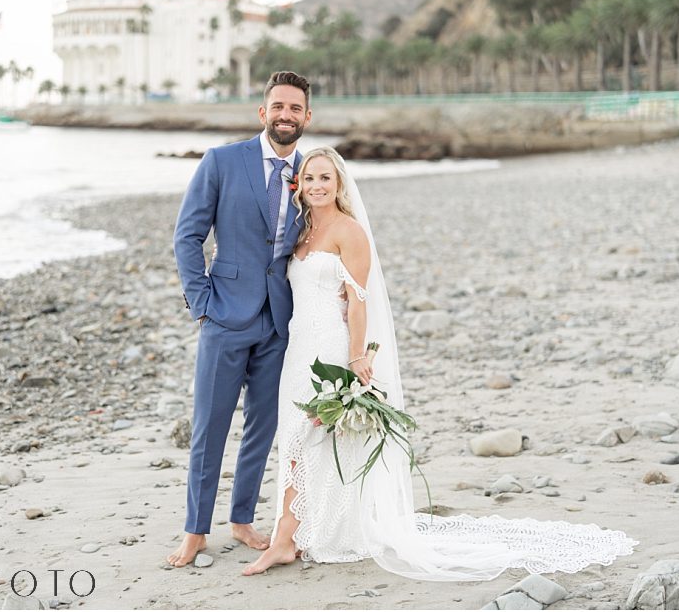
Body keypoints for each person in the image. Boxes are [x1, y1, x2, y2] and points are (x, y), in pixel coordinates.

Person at [243, 146, 638, 579]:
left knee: (309, 434)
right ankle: (313, 530)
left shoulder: (348, 231)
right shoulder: (300, 235)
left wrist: (357, 357)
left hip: (331, 348)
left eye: (326, 179)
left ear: (338, 185)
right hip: (299, 347)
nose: (318, 186)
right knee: (300, 439)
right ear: (299, 186)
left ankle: (285, 537)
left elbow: (358, 302)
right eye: (311, 179)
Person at [168, 71, 312, 567]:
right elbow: (187, 236)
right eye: (278, 107)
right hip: (225, 315)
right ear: (262, 112)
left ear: (307, 117)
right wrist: (201, 301)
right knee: (209, 426)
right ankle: (195, 529)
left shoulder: (310, 173)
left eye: (295, 108)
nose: (285, 115)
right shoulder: (222, 161)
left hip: (279, 320)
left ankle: (243, 518)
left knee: (262, 427)